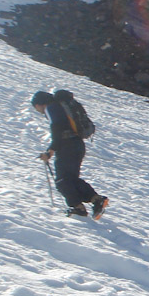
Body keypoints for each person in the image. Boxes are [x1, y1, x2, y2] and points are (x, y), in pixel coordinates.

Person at [32, 91, 108, 219]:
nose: (37, 110)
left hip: (67, 146)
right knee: (71, 179)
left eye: (36, 107)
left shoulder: (51, 108)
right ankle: (95, 199)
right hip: (78, 144)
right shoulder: (61, 106)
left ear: (39, 104)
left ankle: (78, 208)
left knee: (63, 180)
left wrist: (50, 151)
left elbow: (58, 130)